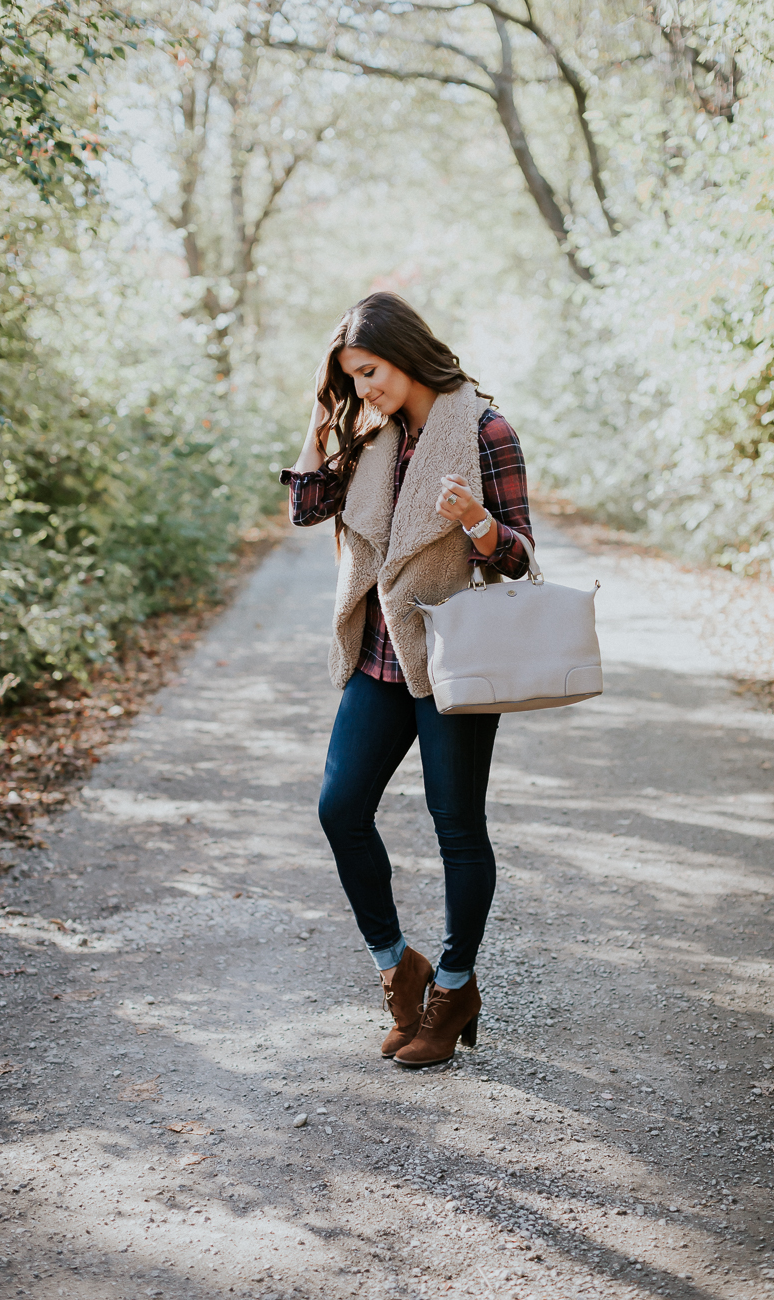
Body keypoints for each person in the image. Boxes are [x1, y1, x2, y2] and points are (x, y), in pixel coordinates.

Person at [280, 291, 534, 1067]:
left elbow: (520, 558)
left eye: (371, 373)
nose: (366, 390)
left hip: (451, 658)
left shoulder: (485, 430)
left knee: (455, 824)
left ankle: (454, 990)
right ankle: (398, 967)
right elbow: (305, 509)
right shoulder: (372, 431)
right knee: (339, 808)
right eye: (353, 379)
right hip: (377, 658)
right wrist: (325, 424)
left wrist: (476, 525)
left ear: (405, 353)